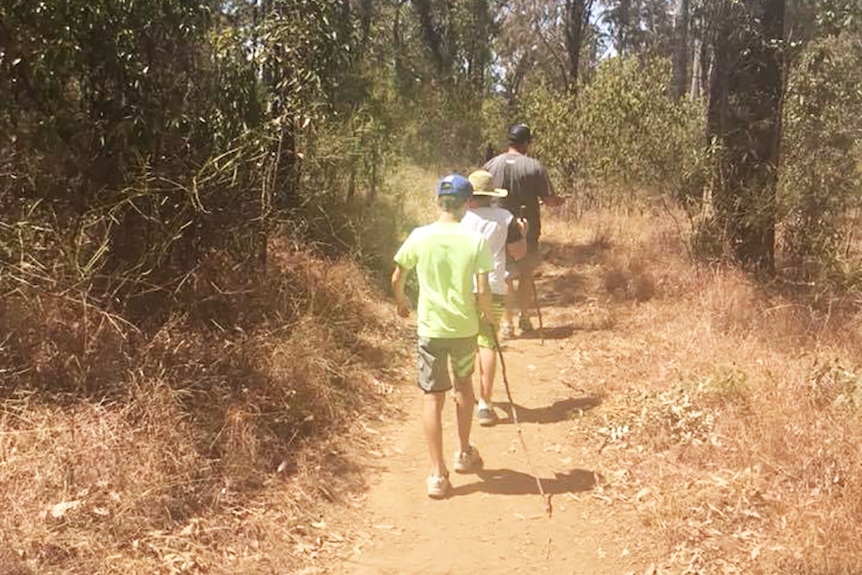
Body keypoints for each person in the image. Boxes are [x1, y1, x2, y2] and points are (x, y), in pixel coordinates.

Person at [391, 174, 496, 499]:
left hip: (431, 330)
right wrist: (488, 318)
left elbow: (398, 274)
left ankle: (437, 474)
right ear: (468, 203)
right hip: (464, 329)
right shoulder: (475, 240)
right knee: (464, 386)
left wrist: (401, 301)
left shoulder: (420, 236)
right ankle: (464, 452)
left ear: (438, 201)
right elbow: (482, 290)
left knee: (432, 397)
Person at [484, 124, 565, 336]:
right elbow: (548, 200)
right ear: (527, 143)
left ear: (509, 141)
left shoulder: (491, 165)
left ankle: (506, 324)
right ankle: (525, 318)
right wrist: (559, 201)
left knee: (505, 276)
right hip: (527, 230)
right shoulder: (534, 166)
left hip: (499, 228)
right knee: (526, 274)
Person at [461, 170, 527, 426]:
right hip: (493, 286)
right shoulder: (506, 218)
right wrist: (522, 232)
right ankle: (485, 404)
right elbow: (519, 253)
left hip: (463, 287)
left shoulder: (460, 217)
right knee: (488, 342)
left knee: (464, 342)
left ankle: (464, 396)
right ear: (491, 195)